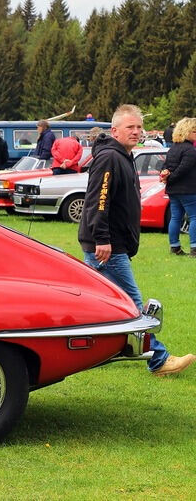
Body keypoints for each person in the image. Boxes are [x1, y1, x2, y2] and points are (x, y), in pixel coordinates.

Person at [78, 104, 193, 377]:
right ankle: (159, 360)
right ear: (115, 130)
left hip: (113, 244)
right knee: (132, 304)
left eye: (139, 127)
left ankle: (86, 350)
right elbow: (98, 201)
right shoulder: (109, 158)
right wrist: (102, 240)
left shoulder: (123, 155)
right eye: (130, 127)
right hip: (108, 247)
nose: (137, 131)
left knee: (102, 305)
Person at [161, 117, 196, 256]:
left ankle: (174, 246)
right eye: (194, 131)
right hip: (188, 189)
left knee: (176, 217)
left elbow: (166, 166)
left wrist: (166, 176)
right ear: (187, 132)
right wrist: (170, 178)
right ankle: (194, 248)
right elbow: (183, 170)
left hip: (173, 190)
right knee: (194, 217)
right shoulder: (190, 151)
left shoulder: (173, 148)